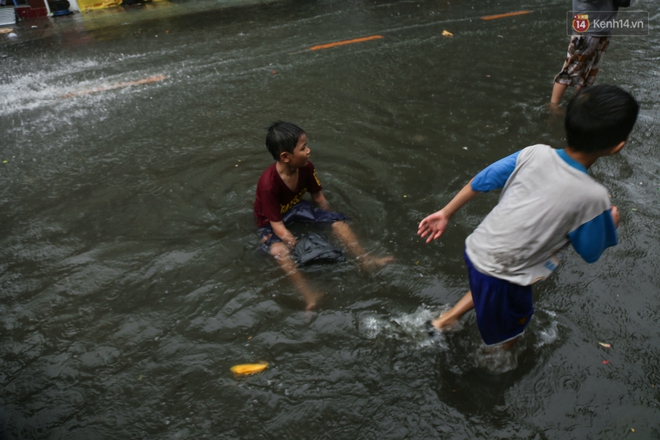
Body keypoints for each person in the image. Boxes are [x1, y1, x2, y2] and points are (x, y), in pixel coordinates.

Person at [419, 85, 639, 349]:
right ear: (617, 147)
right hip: (506, 273)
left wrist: (445, 212)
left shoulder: (533, 152)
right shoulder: (594, 197)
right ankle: (497, 363)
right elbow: (590, 252)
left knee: (490, 285)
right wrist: (610, 222)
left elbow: (482, 179)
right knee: (511, 330)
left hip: (479, 249)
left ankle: (444, 322)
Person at [255, 121, 392, 310]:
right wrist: (297, 246)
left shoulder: (306, 167)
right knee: (279, 251)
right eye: (303, 148)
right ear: (286, 157)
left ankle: (365, 260)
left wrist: (328, 218)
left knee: (339, 223)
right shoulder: (268, 185)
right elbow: (277, 225)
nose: (309, 151)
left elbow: (318, 197)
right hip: (272, 221)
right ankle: (308, 294)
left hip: (298, 208)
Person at [551, 0, 620, 106]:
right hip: (587, 27)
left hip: (605, 27)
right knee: (570, 70)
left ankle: (579, 106)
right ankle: (553, 107)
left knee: (590, 74)